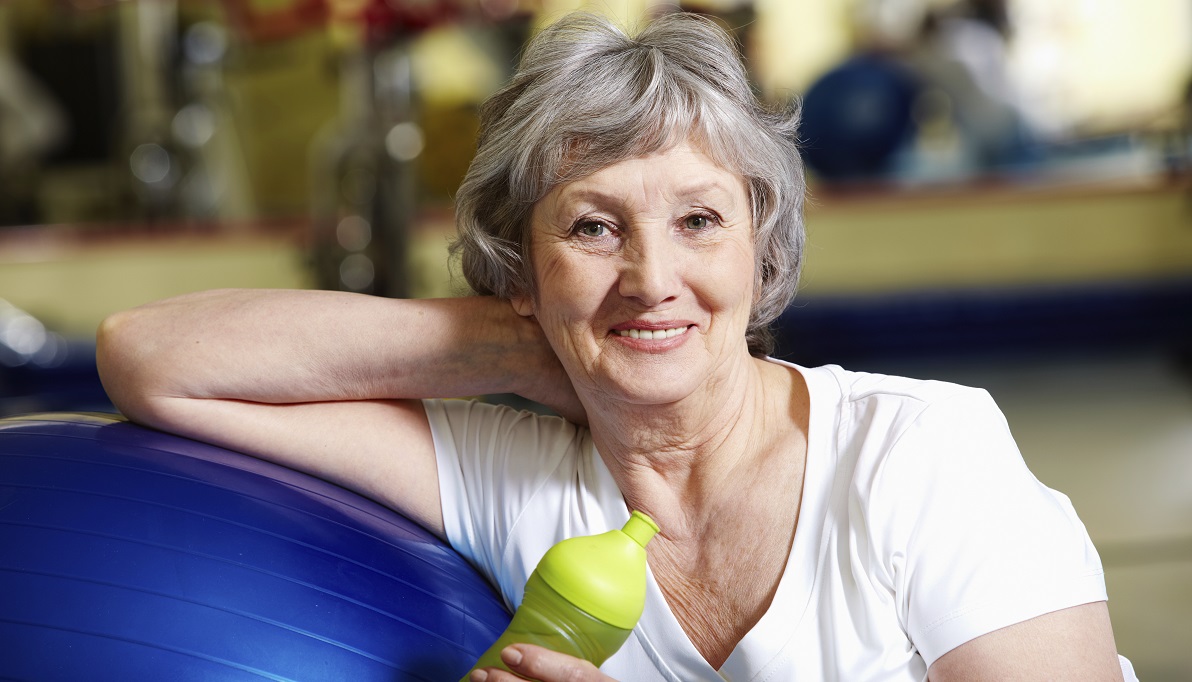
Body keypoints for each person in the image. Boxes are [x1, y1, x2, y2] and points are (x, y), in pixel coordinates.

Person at [97, 11, 1135, 682]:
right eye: (592, 228)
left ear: (763, 249)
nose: (651, 277)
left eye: (698, 221)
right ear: (517, 263)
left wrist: (573, 313)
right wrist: (509, 343)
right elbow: (153, 355)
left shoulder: (922, 455)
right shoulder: (514, 478)